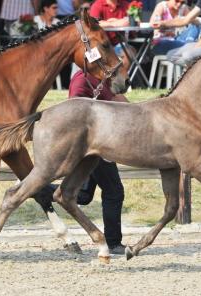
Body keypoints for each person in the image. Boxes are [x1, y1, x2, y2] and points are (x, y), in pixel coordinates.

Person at [69, 70, 128, 255]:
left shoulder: (97, 78)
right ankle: (113, 242)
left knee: (83, 195)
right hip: (93, 144)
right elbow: (74, 108)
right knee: (114, 191)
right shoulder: (83, 79)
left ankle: (40, 189)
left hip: (97, 142)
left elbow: (120, 100)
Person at [153, 0, 201, 65]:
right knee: (171, 55)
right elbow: (185, 20)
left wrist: (195, 47)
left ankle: (195, 75)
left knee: (188, 55)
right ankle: (194, 71)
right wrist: (163, 23)